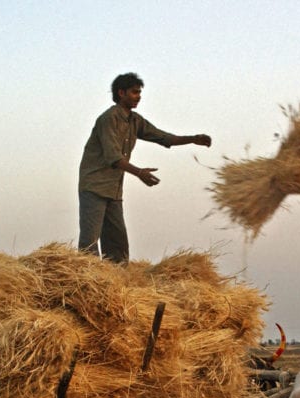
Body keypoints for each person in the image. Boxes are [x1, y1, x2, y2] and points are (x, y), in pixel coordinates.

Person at [77, 72, 211, 263]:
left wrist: (192, 139)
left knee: (118, 244)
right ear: (121, 93)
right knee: (89, 243)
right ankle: (86, 283)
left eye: (139, 92)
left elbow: (162, 137)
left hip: (114, 190)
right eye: (134, 92)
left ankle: (118, 286)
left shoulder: (135, 120)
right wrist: (139, 173)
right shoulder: (109, 118)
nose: (138, 96)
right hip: (94, 186)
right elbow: (113, 157)